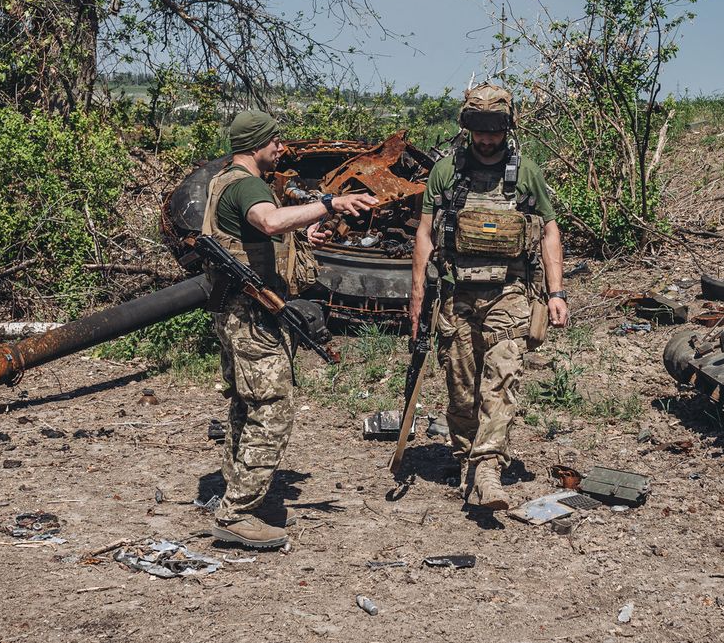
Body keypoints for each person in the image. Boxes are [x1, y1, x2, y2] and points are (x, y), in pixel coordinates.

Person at [201, 110, 376, 548]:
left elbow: (260, 234)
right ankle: (236, 512)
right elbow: (269, 221)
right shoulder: (247, 184)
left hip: (235, 310)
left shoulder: (223, 181)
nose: (281, 148)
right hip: (251, 315)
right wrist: (331, 204)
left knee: (246, 406)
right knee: (273, 407)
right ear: (256, 144)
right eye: (274, 141)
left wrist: (304, 234)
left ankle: (238, 494)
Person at [409, 84, 568, 510]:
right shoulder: (447, 172)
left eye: (493, 129)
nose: (485, 138)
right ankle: (467, 460)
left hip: (509, 294)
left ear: (507, 127)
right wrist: (417, 297)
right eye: (477, 129)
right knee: (461, 390)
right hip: (455, 295)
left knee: (501, 378)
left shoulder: (526, 174)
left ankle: (488, 469)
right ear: (466, 127)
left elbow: (550, 231)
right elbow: (424, 236)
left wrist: (556, 292)